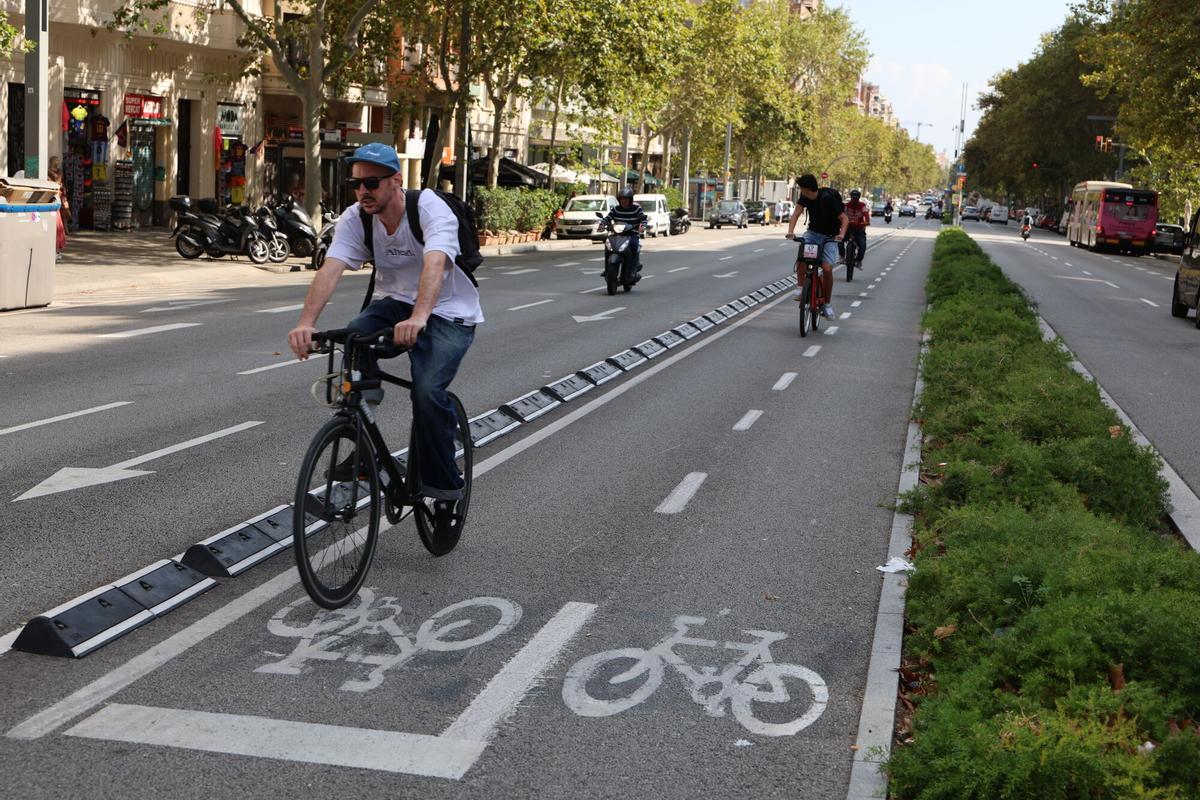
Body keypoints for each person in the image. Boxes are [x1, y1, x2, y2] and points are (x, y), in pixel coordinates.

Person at [287, 143, 480, 535]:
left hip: (449, 312)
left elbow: (435, 263)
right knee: (354, 336)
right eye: (356, 184)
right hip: (396, 305)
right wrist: (306, 323)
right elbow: (331, 267)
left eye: (371, 183)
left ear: (396, 181)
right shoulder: (357, 218)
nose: (363, 191)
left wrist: (420, 316)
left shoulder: (428, 209)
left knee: (426, 392)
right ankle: (363, 436)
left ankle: (446, 492)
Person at [785, 174, 848, 318]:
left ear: (807, 189)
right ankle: (801, 287)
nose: (801, 191)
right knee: (802, 257)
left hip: (830, 237)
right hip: (812, 234)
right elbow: (796, 214)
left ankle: (827, 304)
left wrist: (841, 235)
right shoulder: (804, 197)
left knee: (827, 269)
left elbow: (844, 219)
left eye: (801, 188)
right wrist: (790, 232)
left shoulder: (828, 199)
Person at [601, 186, 648, 274]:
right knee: (608, 247)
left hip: (632, 235)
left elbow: (643, 220)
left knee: (634, 246)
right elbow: (607, 218)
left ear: (630, 199)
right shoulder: (616, 209)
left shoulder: (636, 209)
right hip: (617, 235)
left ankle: (633, 269)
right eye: (622, 199)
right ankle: (607, 269)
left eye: (626, 199)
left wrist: (642, 226)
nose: (624, 201)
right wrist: (602, 224)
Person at [845, 189, 870, 270]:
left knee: (863, 246)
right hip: (847, 228)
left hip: (859, 229)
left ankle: (858, 261)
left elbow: (866, 216)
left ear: (859, 198)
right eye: (853, 198)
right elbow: (842, 215)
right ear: (851, 197)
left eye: (856, 198)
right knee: (839, 241)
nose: (854, 200)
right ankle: (841, 256)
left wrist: (866, 221)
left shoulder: (862, 206)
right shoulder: (846, 206)